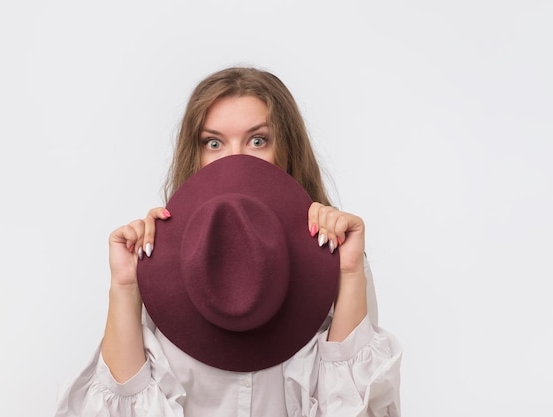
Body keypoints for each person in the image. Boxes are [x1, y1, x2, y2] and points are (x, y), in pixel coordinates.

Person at [55, 66, 402, 417]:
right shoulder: (155, 256)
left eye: (257, 140)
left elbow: (354, 409)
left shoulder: (337, 254)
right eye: (214, 143)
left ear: (287, 149)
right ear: (197, 153)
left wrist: (349, 271)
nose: (235, 158)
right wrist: (126, 285)